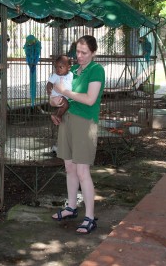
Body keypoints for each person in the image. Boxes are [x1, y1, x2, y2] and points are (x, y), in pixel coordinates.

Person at [51, 35, 105, 235]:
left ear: (93, 52)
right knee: (69, 167)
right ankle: (71, 207)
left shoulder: (96, 70)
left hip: (85, 123)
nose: (79, 56)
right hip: (67, 121)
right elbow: (57, 96)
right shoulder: (72, 70)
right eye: (77, 52)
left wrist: (65, 91)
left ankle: (90, 217)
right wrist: (55, 102)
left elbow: (90, 99)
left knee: (83, 172)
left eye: (84, 53)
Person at [46, 55, 73, 125]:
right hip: (58, 96)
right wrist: (49, 89)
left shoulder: (71, 75)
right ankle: (58, 116)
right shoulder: (55, 75)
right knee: (66, 105)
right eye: (56, 67)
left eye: (61, 67)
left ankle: (55, 115)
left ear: (69, 67)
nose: (58, 69)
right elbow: (49, 83)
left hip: (64, 96)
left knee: (63, 106)